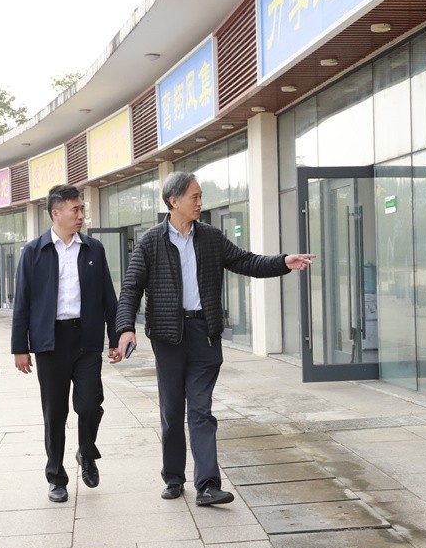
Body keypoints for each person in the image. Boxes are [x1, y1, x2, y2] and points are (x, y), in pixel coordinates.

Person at [116, 171, 314, 506]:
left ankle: (207, 484)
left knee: (201, 410)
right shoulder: (151, 242)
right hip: (168, 337)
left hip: (204, 334)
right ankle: (174, 477)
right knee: (172, 411)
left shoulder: (210, 237)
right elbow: (131, 288)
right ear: (173, 201)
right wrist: (125, 328)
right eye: (194, 197)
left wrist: (283, 262)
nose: (200, 203)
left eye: (200, 196)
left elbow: (246, 261)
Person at [12, 184, 120, 503]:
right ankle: (56, 477)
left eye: (82, 209)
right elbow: (22, 303)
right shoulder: (34, 252)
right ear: (55, 213)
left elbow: (108, 297)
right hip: (50, 342)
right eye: (75, 209)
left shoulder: (93, 249)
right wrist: (20, 348)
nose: (81, 215)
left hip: (86, 339)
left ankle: (86, 451)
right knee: (55, 412)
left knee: (90, 404)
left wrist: (116, 337)